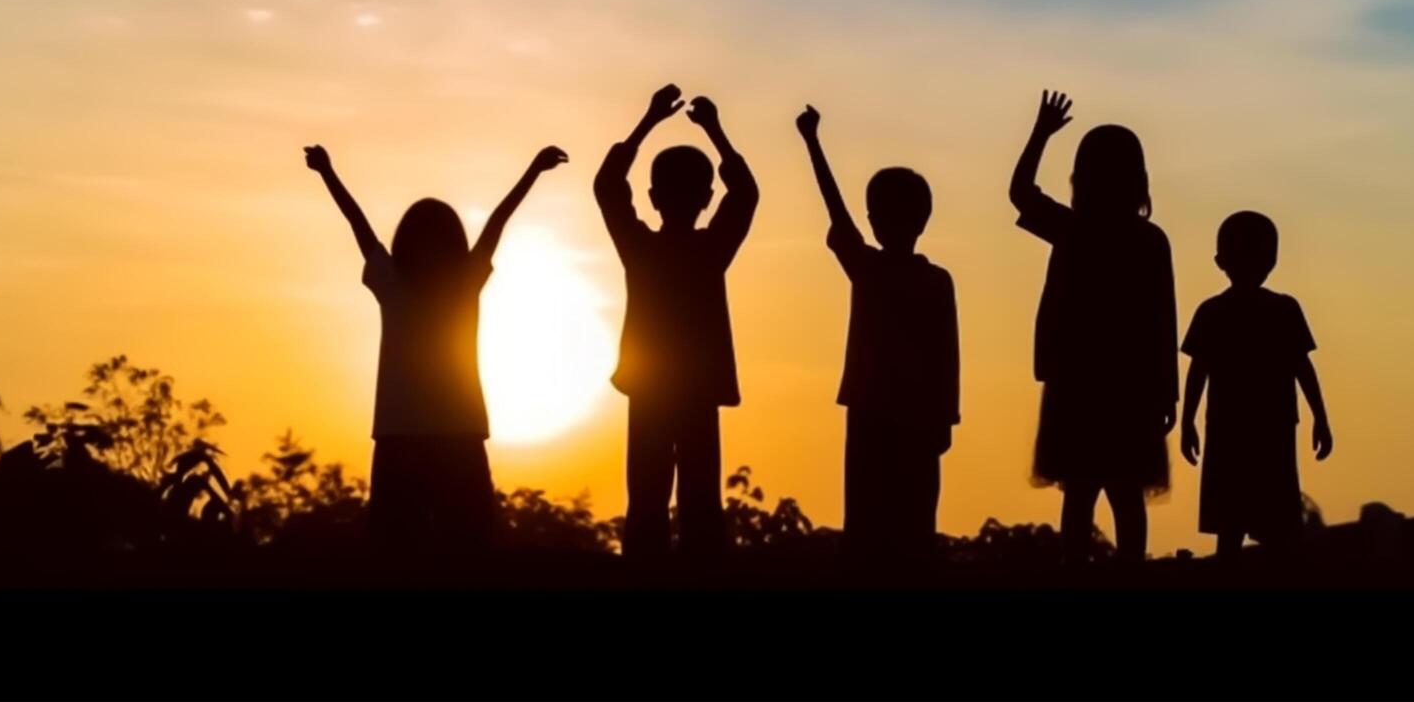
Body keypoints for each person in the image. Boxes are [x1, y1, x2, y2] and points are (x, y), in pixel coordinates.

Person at [304, 142, 568, 551]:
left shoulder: (444, 281)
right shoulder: (408, 281)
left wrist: (534, 170)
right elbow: (358, 224)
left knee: (461, 544)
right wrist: (327, 174)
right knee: (406, 546)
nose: (429, 249)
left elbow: (498, 221)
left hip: (441, 433)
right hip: (414, 434)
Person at [1009, 90, 1178, 564]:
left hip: (1081, 382)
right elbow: (1163, 321)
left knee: (1081, 494)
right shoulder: (1147, 241)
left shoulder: (1074, 230)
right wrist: (1168, 391)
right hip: (1127, 385)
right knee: (1123, 495)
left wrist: (1041, 133)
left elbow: (1020, 192)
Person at [594, 85, 758, 557]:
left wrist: (648, 120)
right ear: (707, 198)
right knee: (701, 501)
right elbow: (746, 194)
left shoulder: (641, 250)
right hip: (696, 389)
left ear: (653, 196)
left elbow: (607, 186)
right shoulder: (710, 252)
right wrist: (715, 132)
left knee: (647, 498)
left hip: (651, 389)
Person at [796, 104, 959, 558]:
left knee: (878, 519)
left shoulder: (871, 269)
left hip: (879, 411)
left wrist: (811, 142)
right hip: (908, 413)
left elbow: (835, 211)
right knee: (907, 520)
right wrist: (947, 416)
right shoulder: (929, 279)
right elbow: (950, 357)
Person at [1180, 210, 1333, 558]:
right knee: (1242, 523)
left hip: (1253, 427)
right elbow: (1199, 371)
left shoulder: (1220, 312)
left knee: (1248, 524)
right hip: (1247, 427)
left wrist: (1321, 418)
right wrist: (1188, 421)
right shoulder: (1266, 310)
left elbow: (1301, 367)